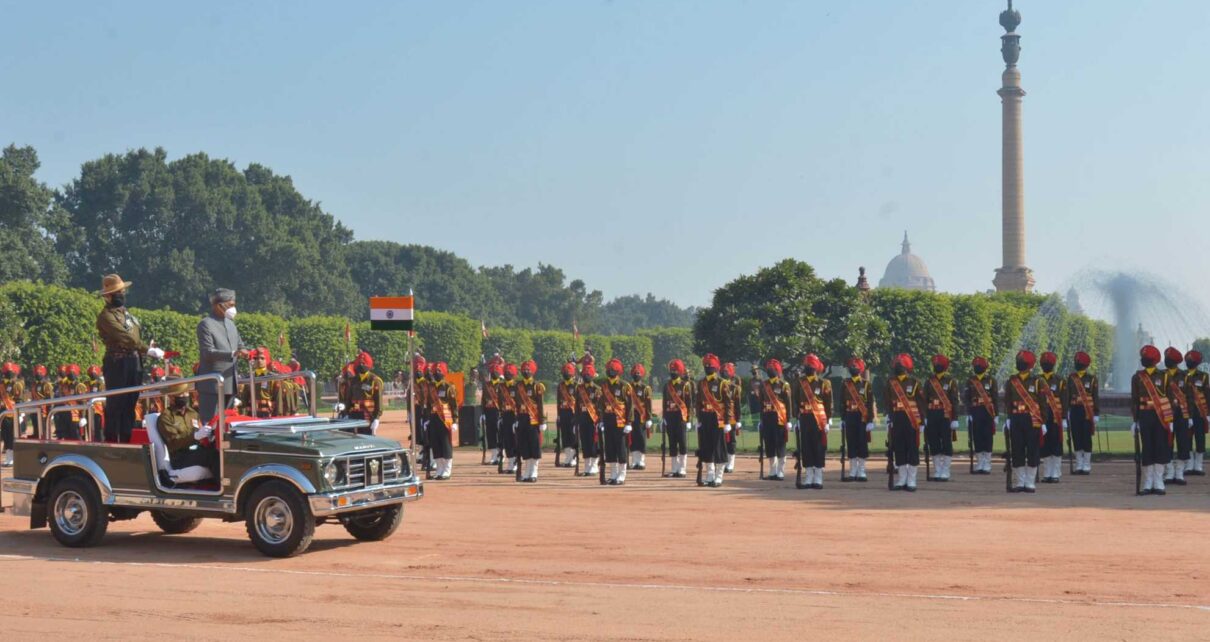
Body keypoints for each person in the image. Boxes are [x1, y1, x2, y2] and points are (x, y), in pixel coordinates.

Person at [96, 274, 164, 442]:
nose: (122, 294)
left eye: (122, 291)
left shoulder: (126, 313)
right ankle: (112, 440)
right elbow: (126, 338)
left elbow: (134, 336)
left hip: (134, 361)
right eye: (118, 292)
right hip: (118, 362)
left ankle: (126, 439)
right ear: (108, 296)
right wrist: (146, 349)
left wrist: (145, 350)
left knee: (130, 403)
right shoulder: (106, 316)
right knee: (116, 403)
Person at [196, 288, 247, 423]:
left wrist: (247, 352)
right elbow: (207, 353)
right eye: (230, 305)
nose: (233, 308)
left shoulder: (231, 324)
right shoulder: (205, 324)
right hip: (212, 384)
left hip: (230, 382)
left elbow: (240, 345)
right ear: (218, 305)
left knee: (226, 424)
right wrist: (233, 354)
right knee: (210, 425)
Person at [156, 378, 219, 481]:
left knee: (219, 450)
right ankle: (223, 488)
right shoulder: (166, 417)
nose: (185, 396)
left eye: (186, 392)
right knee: (212, 456)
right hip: (180, 457)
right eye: (181, 394)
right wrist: (194, 436)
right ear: (171, 397)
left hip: (197, 450)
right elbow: (174, 442)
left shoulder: (192, 413)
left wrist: (209, 434)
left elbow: (200, 430)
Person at [1132, 345, 1173, 495]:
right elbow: (1134, 401)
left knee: (1160, 447)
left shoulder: (1164, 376)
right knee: (1147, 448)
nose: (1143, 360)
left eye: (1146, 358)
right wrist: (1134, 421)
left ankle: (1158, 481)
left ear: (1153, 360)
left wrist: (1171, 420)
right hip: (1145, 416)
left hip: (1161, 417)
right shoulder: (1137, 377)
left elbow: (1170, 398)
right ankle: (1148, 482)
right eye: (1142, 357)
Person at [1004, 350, 1043, 493]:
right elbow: (1007, 401)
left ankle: (1030, 482)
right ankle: (1020, 481)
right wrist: (1008, 418)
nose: (1019, 363)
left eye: (1022, 361)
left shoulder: (1038, 381)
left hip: (1032, 419)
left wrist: (1043, 422)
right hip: (1016, 418)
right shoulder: (1011, 381)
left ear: (1029, 365)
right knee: (1017, 450)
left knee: (1032, 451)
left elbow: (1043, 403)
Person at [885, 354, 924, 491]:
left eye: (901, 365)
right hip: (897, 418)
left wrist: (923, 421)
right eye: (897, 365)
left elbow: (921, 403)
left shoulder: (914, 382)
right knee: (899, 448)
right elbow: (888, 402)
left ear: (907, 367)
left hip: (912, 420)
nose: (898, 367)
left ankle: (912, 480)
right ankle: (901, 479)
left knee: (912, 448)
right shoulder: (890, 382)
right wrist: (888, 417)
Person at [794, 354, 833, 490]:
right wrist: (796, 418)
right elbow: (795, 402)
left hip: (819, 420)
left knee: (818, 447)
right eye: (806, 365)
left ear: (816, 367)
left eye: (810, 365)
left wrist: (828, 421)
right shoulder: (800, 382)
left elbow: (828, 404)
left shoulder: (824, 383)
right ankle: (808, 476)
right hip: (805, 418)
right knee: (806, 448)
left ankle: (818, 477)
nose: (808, 367)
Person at [695, 354, 733, 488]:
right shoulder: (701, 383)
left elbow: (728, 404)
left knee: (719, 448)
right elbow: (698, 402)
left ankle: (719, 477)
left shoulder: (722, 383)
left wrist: (728, 422)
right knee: (707, 447)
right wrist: (698, 419)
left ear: (716, 368)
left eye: (710, 366)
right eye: (706, 366)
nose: (708, 368)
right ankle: (710, 476)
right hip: (705, 417)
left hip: (718, 419)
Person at [923, 354, 960, 482]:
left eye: (938, 364)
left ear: (944, 366)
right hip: (932, 414)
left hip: (945, 415)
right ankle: (938, 470)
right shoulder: (929, 381)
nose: (936, 366)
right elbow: (924, 400)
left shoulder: (950, 381)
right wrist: (925, 417)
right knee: (933, 442)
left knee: (946, 442)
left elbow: (954, 401)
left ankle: (945, 470)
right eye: (935, 364)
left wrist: (955, 418)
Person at [598, 358, 634, 485]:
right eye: (608, 369)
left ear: (618, 371)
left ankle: (621, 475)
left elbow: (630, 405)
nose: (610, 371)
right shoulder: (604, 385)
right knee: (610, 448)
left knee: (621, 449)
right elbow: (601, 404)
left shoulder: (624, 386)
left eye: (612, 370)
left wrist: (629, 422)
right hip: (608, 420)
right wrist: (601, 420)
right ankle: (613, 475)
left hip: (620, 421)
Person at [756, 358, 793, 481]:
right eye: (769, 368)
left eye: (773, 368)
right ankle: (772, 471)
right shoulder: (764, 384)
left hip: (780, 418)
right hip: (767, 417)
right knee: (770, 444)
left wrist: (788, 420)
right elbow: (761, 403)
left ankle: (781, 471)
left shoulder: (784, 385)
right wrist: (761, 419)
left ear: (778, 371)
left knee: (780, 444)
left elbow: (788, 404)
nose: (770, 370)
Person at [839, 357, 875, 482]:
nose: (852, 368)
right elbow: (842, 402)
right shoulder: (845, 383)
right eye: (851, 366)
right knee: (851, 442)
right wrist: (842, 418)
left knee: (862, 442)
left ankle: (862, 470)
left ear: (860, 369)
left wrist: (870, 420)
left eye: (855, 366)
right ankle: (853, 471)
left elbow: (870, 403)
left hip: (862, 416)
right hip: (850, 415)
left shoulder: (866, 384)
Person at [1064, 352, 1099, 475]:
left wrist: (1096, 414)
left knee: (1086, 437)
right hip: (1075, 410)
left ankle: (1086, 464)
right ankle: (1079, 464)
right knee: (1076, 437)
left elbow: (1095, 397)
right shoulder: (1071, 378)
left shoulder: (1092, 378)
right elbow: (1067, 396)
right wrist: (1066, 412)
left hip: (1087, 411)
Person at [964, 356, 999, 474]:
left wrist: (997, 415)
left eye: (979, 366)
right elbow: (967, 398)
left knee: (987, 436)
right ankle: (980, 463)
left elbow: (995, 398)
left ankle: (987, 463)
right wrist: (968, 413)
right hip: (975, 410)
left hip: (988, 411)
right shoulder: (970, 381)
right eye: (976, 366)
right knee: (977, 436)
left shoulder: (991, 380)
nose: (977, 367)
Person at [512, 360, 546, 482]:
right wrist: (516, 419)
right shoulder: (518, 385)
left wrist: (542, 422)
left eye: (528, 370)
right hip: (522, 418)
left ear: (532, 371)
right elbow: (515, 404)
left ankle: (534, 472)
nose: (525, 372)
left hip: (533, 420)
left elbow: (540, 405)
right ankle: (527, 472)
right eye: (524, 370)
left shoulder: (537, 386)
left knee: (534, 446)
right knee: (524, 446)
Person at [1036, 352, 1067, 483]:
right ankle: (1047, 472)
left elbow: (1064, 401)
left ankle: (1056, 472)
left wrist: (1065, 418)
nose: (1046, 365)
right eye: (1044, 364)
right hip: (1042, 417)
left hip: (1056, 418)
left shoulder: (1060, 380)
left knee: (1056, 445)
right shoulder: (1037, 380)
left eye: (1048, 364)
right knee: (1044, 446)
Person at [426, 361, 459, 479]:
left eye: (439, 371)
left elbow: (454, 405)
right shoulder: (431, 387)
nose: (436, 373)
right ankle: (439, 469)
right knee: (436, 444)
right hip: (434, 418)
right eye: (435, 371)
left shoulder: (448, 387)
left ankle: (447, 470)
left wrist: (455, 421)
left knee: (445, 444)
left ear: (444, 373)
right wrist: (428, 419)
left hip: (445, 419)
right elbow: (428, 404)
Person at [662, 359, 694, 478]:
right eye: (671, 370)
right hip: (670, 416)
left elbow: (689, 403)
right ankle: (674, 468)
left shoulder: (685, 385)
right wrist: (664, 417)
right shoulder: (667, 385)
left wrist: (689, 419)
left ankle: (682, 468)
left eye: (675, 370)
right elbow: (665, 402)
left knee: (682, 443)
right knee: (672, 443)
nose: (673, 372)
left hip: (681, 417)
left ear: (680, 371)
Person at [346, 351, 384, 435]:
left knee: (367, 441)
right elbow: (349, 398)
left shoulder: (374, 380)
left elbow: (378, 401)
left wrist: (377, 418)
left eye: (363, 363)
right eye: (359, 363)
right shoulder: (353, 380)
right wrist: (346, 412)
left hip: (368, 415)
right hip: (354, 414)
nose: (361, 365)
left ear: (368, 365)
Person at [239, 348, 284, 418]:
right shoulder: (249, 378)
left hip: (268, 415)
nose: (259, 360)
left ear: (267, 360)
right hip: (251, 415)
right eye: (256, 358)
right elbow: (244, 401)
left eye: (262, 358)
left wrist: (279, 416)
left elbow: (278, 400)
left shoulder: (273, 378)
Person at [1185, 350, 1208, 476]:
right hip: (1186, 412)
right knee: (1187, 438)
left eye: (1191, 361)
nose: (1189, 363)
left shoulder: (1204, 376)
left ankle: (1198, 465)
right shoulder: (1182, 375)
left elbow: (1208, 395)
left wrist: (1208, 414)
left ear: (1196, 363)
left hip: (1199, 412)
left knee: (1200, 438)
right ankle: (1189, 464)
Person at [628, 363, 653, 471]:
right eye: (634, 373)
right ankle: (634, 461)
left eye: (638, 373)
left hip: (641, 416)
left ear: (641, 374)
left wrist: (649, 418)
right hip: (631, 416)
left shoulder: (645, 388)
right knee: (632, 438)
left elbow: (648, 404)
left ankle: (641, 461)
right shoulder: (628, 387)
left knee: (641, 439)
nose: (636, 375)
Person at [54, 364, 89, 440]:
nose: (71, 374)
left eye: (73, 372)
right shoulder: (63, 385)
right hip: (65, 414)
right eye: (70, 372)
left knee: (77, 437)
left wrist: (83, 416)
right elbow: (61, 399)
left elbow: (83, 402)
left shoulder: (79, 386)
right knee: (67, 437)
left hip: (75, 415)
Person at [1, 362, 25, 465]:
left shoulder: (17, 384)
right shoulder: (2, 384)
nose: (8, 374)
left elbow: (19, 400)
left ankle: (14, 458)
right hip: (4, 414)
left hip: (13, 413)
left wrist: (20, 414)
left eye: (10, 372)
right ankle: (8, 457)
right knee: (5, 436)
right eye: (7, 372)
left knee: (13, 436)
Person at [482, 361, 505, 465]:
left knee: (500, 433)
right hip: (489, 411)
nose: (494, 373)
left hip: (499, 412)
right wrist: (482, 413)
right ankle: (494, 455)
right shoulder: (487, 385)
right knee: (490, 433)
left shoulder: (502, 385)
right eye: (493, 372)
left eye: (496, 372)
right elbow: (483, 399)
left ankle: (502, 453)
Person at [721, 362, 743, 473]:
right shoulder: (719, 385)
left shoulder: (735, 388)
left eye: (726, 371)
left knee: (731, 441)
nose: (724, 373)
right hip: (720, 417)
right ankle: (722, 461)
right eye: (723, 371)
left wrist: (739, 419)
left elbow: (738, 405)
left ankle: (730, 464)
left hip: (732, 417)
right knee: (722, 441)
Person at [498, 363, 520, 474]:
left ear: (514, 374)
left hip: (514, 416)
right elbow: (499, 402)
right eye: (506, 372)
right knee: (506, 440)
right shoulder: (501, 387)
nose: (507, 374)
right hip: (505, 416)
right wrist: (500, 417)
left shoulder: (517, 386)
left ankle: (516, 461)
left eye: (509, 373)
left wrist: (517, 418)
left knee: (515, 440)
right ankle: (510, 461)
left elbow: (520, 403)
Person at [555, 362, 578, 467]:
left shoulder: (576, 385)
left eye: (568, 372)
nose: (566, 374)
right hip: (563, 412)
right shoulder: (561, 385)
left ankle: (573, 457)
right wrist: (558, 415)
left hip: (573, 413)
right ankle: (568, 457)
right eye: (564, 372)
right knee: (565, 436)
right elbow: (558, 401)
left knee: (572, 435)